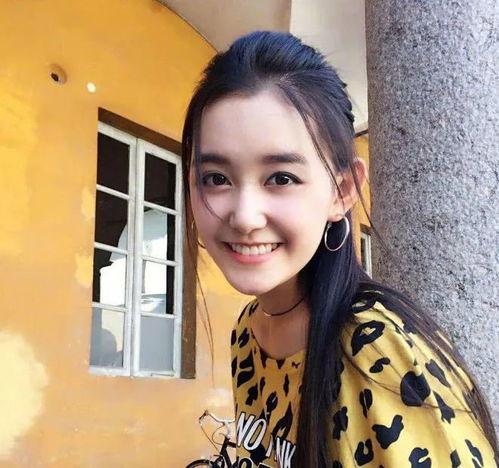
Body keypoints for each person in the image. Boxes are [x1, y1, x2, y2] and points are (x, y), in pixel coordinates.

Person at [181, 30, 497, 467]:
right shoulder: (248, 332)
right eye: (216, 178)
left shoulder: (379, 352)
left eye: (281, 178)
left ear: (342, 190)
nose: (245, 216)